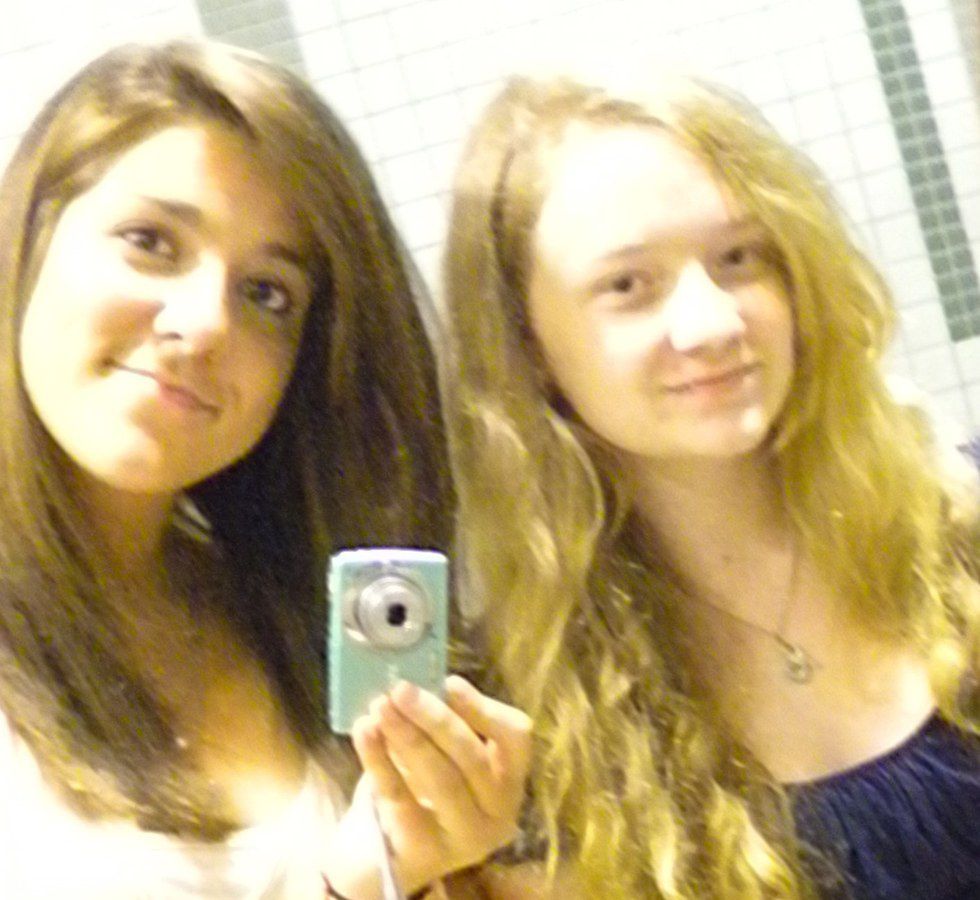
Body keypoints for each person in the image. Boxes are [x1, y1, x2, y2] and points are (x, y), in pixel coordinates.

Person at [0, 40, 531, 899]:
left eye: (268, 293)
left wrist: (417, 870)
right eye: (150, 242)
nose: (206, 322)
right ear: (26, 239)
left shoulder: (289, 608)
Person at [441, 73, 979, 898]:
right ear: (529, 349)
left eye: (738, 259)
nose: (714, 323)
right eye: (628, 286)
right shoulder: (528, 734)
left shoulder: (961, 524)